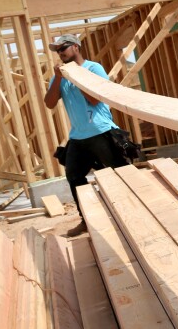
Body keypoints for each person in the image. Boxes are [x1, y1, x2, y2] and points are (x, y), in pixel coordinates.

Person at [44, 34, 127, 237]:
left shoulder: (93, 69)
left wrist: (76, 76)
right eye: (57, 50)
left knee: (120, 175)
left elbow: (96, 100)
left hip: (101, 132)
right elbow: (49, 103)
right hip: (78, 138)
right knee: (74, 176)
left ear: (75, 47)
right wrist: (59, 79)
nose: (60, 53)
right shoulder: (60, 76)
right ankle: (87, 221)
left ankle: (129, 215)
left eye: (63, 48)